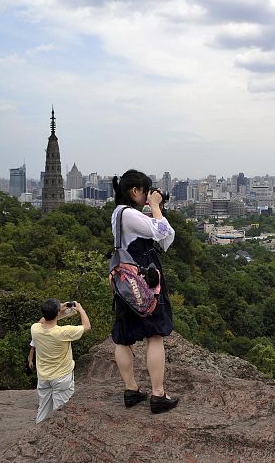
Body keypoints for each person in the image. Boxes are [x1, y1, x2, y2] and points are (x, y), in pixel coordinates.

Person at [111, 169, 179, 414]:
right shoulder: (129, 214)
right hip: (145, 281)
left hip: (125, 282)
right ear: (135, 191)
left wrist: (152, 210)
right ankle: (158, 394)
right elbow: (163, 233)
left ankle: (131, 390)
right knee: (155, 336)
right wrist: (156, 206)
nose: (148, 196)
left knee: (123, 336)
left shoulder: (119, 214)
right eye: (145, 192)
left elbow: (162, 236)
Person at [30, 299, 90, 423]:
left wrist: (59, 309)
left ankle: (38, 433)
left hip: (43, 377)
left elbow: (43, 321)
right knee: (61, 411)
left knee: (43, 409)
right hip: (61, 377)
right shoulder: (63, 332)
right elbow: (87, 326)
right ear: (57, 313)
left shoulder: (35, 329)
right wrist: (80, 310)